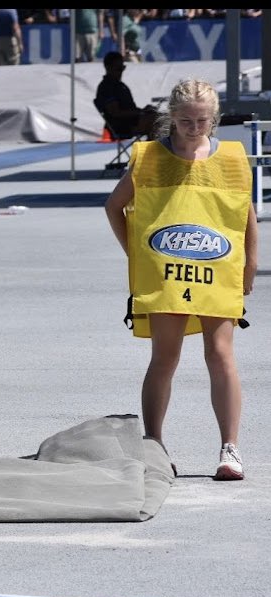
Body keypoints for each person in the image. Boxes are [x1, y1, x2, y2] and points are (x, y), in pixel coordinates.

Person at [104, 78, 257, 480]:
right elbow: (114, 206)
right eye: (186, 120)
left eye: (202, 120)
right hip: (166, 272)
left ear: (214, 118)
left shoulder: (232, 158)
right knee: (165, 357)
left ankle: (230, 448)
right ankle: (155, 444)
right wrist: (137, 254)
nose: (194, 127)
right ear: (171, 118)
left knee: (220, 354)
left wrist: (250, 264)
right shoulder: (149, 157)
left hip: (216, 271)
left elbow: (245, 215)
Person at [95, 51, 157, 138]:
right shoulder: (106, 87)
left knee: (163, 117)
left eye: (122, 68)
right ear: (108, 68)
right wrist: (141, 112)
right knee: (158, 121)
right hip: (122, 126)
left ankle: (154, 148)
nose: (121, 72)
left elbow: (129, 108)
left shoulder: (120, 85)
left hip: (132, 121)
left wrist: (143, 110)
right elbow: (115, 112)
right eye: (118, 68)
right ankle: (154, 149)